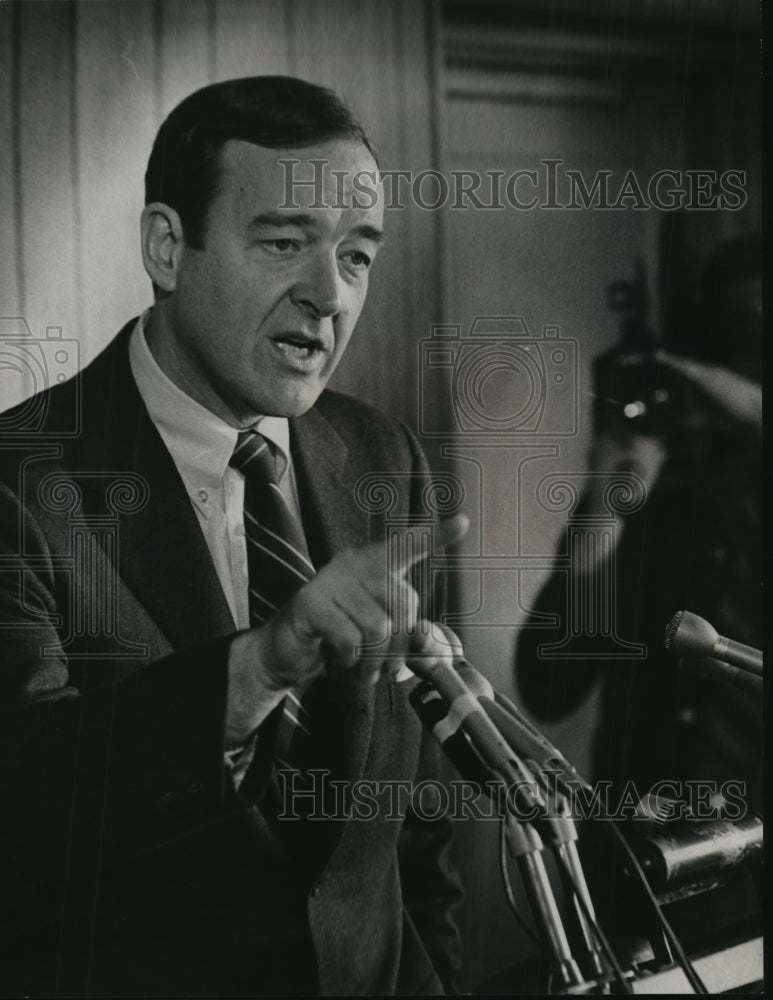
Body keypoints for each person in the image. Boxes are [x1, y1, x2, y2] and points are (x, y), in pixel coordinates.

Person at [0, 76, 465, 996]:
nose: (328, 294)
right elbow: (25, 802)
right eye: (284, 242)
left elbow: (414, 822)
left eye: (358, 256)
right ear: (169, 248)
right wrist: (260, 667)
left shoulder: (383, 457)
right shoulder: (19, 480)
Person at [515, 235, 763, 950]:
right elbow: (549, 683)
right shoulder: (651, 498)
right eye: (733, 335)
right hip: (638, 881)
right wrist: (604, 505)